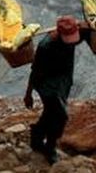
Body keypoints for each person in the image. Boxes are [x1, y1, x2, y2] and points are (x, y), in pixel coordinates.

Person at [24, 15, 90, 164]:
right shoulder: (45, 46)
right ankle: (50, 147)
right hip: (46, 84)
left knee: (50, 113)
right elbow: (35, 71)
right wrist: (28, 94)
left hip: (64, 80)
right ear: (60, 34)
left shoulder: (76, 33)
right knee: (61, 116)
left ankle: (36, 135)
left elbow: (91, 30)